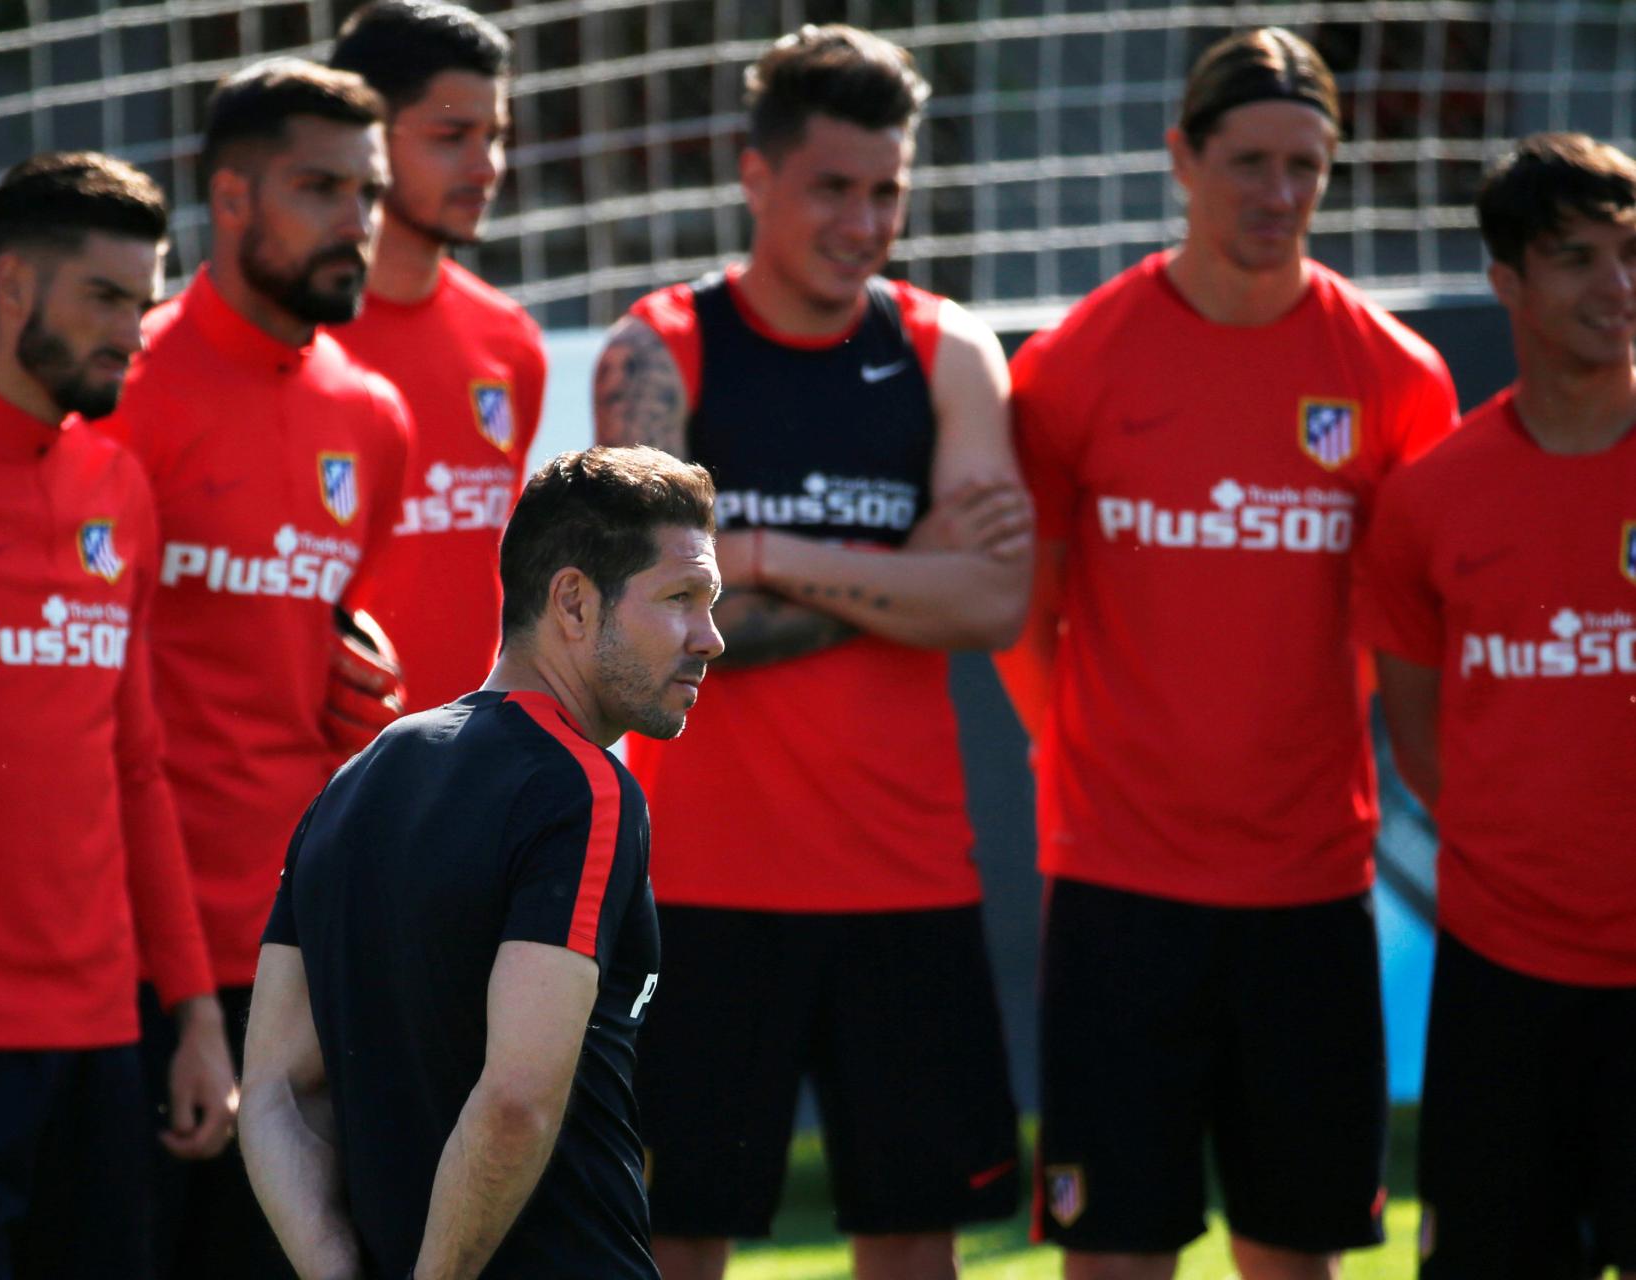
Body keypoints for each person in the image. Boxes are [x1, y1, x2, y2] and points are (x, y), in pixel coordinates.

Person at [997, 27, 1458, 1280]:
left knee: (1294, 1254)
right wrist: (1098, 760)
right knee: (1112, 1251)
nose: (1277, 194)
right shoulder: (1073, 364)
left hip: (1309, 887)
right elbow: (1020, 623)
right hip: (1116, 886)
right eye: (1247, 161)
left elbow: (1417, 634)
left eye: (1304, 165)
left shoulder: (1395, 376)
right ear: (1179, 160)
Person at [594, 24, 1031, 1280]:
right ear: (754, 176)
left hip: (908, 877)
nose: (864, 220)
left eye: (887, 189)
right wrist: (911, 566)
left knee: (911, 1239)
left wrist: (763, 549)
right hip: (700, 885)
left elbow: (995, 602)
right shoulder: (658, 347)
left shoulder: (948, 348)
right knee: (673, 1238)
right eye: (832, 187)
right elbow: (654, 633)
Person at [240, 445, 719, 1280]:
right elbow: (515, 1100)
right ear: (572, 601)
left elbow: (277, 1093)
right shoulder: (585, 789)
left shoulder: (355, 780)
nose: (709, 638)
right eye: (681, 598)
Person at [92, 61, 413, 1279]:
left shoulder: (372, 415)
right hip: (131, 955)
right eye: (319, 187)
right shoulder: (124, 388)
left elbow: (333, 648)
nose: (356, 222)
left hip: (304, 944)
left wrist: (366, 686)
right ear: (229, 199)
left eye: (367, 192)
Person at [0, 152, 233, 1279]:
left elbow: (137, 771)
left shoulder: (117, 489)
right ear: (13, 286)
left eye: (144, 301)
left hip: (105, 1036)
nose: (133, 333)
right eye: (105, 298)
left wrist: (194, 1014)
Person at [1359, 133, 1636, 1280]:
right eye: (1575, 259)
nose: (1614, 288)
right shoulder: (1432, 496)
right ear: (1506, 285)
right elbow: (1418, 729)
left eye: (1629, 254)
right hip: (1503, 967)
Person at [330, 0, 549, 713]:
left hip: (469, 767)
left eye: (495, 136)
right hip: (328, 776)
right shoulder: (298, 343)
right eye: (452, 135)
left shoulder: (509, 340)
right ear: (367, 137)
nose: (486, 166)